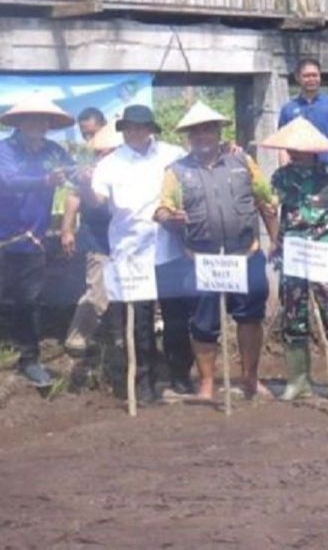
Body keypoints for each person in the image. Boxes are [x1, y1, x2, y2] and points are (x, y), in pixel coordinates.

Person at [155, 102, 278, 401]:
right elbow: (162, 209)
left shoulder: (243, 162)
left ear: (218, 130)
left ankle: (250, 378)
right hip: (200, 260)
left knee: (250, 317)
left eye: (208, 129)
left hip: (245, 254)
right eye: (196, 132)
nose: (203, 136)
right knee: (203, 323)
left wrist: (275, 239)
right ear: (188, 137)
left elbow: (266, 201)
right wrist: (169, 218)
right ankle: (207, 384)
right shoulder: (176, 172)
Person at [89, 105, 195, 402]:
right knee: (138, 321)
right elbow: (97, 201)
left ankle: (179, 375)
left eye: (141, 126)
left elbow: (196, 171)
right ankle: (144, 380)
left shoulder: (171, 154)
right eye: (130, 127)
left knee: (176, 316)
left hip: (169, 247)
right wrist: (84, 186)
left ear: (151, 129)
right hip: (130, 251)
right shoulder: (109, 164)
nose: (135, 132)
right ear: (123, 130)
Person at [262, 117, 328, 403]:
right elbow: (271, 209)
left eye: (301, 147)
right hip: (293, 253)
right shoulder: (280, 177)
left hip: (323, 251)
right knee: (293, 314)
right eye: (292, 147)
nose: (295, 152)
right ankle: (298, 379)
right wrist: (275, 238)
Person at [0, 94, 74, 387]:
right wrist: (44, 181)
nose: (36, 124)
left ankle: (29, 360)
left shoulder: (54, 152)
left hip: (33, 242)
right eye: (30, 118)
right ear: (19, 122)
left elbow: (74, 173)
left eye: (42, 120)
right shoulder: (4, 150)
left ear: (48, 124)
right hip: (2, 239)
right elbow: (6, 181)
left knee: (29, 302)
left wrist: (86, 173)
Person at [61, 121, 120, 357]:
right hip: (98, 237)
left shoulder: (136, 168)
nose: (104, 153)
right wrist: (66, 230)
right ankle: (77, 338)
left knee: (126, 291)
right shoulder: (90, 170)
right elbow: (74, 198)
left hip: (129, 239)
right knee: (98, 291)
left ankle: (119, 337)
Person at [277, 57, 328, 179]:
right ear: (297, 78)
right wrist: (284, 175)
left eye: (315, 75)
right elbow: (283, 147)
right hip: (299, 175)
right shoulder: (288, 109)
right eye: (306, 76)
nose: (311, 79)